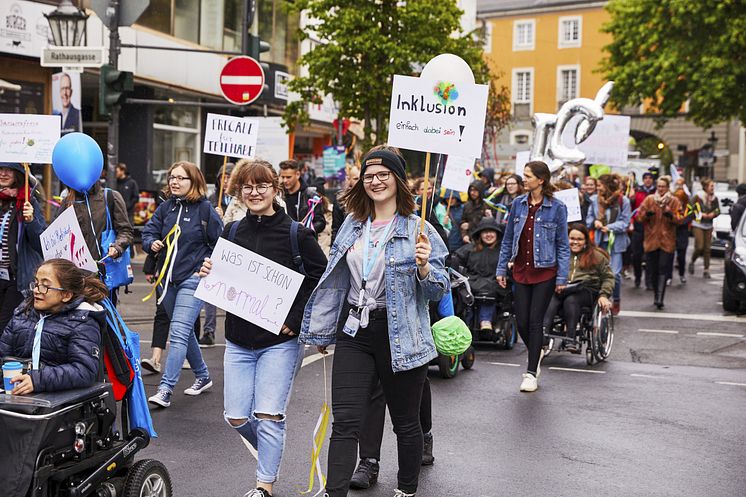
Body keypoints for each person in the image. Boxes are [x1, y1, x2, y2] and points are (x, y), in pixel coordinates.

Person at [300, 145, 449, 497]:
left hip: (401, 334)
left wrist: (425, 266)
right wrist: (323, 324)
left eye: (383, 175)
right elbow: (337, 278)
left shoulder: (419, 228)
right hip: (355, 330)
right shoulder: (352, 224)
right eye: (369, 176)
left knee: (405, 423)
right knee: (346, 422)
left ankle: (406, 491)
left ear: (398, 180)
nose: (376, 181)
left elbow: (439, 289)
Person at [199, 160, 327, 497]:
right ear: (240, 192)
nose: (255, 192)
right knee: (236, 417)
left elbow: (321, 278)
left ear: (275, 189)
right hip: (239, 341)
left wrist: (297, 319)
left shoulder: (297, 234)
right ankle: (274, 446)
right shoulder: (231, 232)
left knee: (269, 417)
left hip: (280, 342)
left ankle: (264, 486)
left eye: (262, 186)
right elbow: (223, 277)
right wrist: (209, 271)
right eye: (248, 187)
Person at [143, 161, 223, 408]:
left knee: (177, 332)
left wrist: (206, 263)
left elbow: (219, 243)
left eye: (180, 178)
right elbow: (148, 232)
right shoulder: (165, 208)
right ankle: (203, 376)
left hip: (193, 279)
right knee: (184, 331)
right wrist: (151, 243)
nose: (174, 182)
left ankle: (166, 389)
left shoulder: (205, 209)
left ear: (194, 182)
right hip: (166, 280)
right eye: (171, 177)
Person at [496, 160, 570, 393]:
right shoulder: (517, 204)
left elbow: (563, 245)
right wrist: (501, 269)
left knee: (535, 321)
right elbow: (508, 239)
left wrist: (562, 277)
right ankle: (536, 353)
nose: (523, 179)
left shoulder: (557, 207)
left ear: (541, 180)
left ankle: (530, 372)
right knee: (522, 321)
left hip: (545, 271)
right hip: (520, 270)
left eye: (528, 176)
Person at [0, 258, 107, 394]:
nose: (36, 291)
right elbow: (3, 355)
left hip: (61, 404)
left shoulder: (82, 321)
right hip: (19, 398)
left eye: (45, 286)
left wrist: (37, 380)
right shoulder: (23, 313)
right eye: (36, 283)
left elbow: (84, 371)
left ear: (66, 295)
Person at [542, 224, 614, 352]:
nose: (575, 242)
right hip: (562, 288)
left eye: (579, 239)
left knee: (571, 300)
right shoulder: (560, 253)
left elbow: (608, 277)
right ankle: (543, 335)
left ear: (586, 240)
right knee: (551, 299)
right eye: (572, 238)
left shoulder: (597, 256)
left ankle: (571, 338)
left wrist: (604, 295)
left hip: (586, 290)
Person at [0, 163, 46, 333]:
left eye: (8, 170)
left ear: (18, 173)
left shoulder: (27, 201)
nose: (3, 173)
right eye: (0, 169)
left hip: (16, 279)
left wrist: (30, 220)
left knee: (5, 327)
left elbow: (40, 243)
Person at [586, 174, 631, 315]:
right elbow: (589, 219)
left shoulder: (623, 201)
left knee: (615, 274)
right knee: (598, 274)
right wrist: (595, 222)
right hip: (599, 242)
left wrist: (610, 227)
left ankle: (616, 298)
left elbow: (625, 222)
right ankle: (602, 301)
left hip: (615, 242)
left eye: (600, 185)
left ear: (607, 186)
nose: (598, 188)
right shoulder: (594, 200)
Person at [637, 176, 682, 309]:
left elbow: (680, 219)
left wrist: (670, 214)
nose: (661, 189)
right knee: (653, 269)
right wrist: (647, 215)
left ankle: (659, 298)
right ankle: (656, 294)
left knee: (663, 268)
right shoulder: (650, 200)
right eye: (659, 186)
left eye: (663, 186)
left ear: (668, 187)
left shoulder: (674, 201)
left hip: (667, 240)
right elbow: (639, 217)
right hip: (651, 239)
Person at [452, 217, 504, 331]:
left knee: (487, 291)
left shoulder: (502, 251)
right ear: (480, 234)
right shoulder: (470, 249)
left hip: (494, 282)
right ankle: (466, 323)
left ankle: (485, 320)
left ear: (497, 234)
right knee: (463, 292)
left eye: (491, 232)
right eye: (485, 232)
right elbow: (455, 258)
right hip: (472, 281)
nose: (488, 235)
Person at [279, 159, 326, 236]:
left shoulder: (310, 195)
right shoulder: (279, 195)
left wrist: (305, 229)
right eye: (282, 177)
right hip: (284, 241)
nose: (284, 180)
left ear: (297, 174)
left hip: (305, 242)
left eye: (288, 177)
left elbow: (321, 222)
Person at [689, 179, 720, 279]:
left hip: (709, 225)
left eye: (713, 186)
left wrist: (713, 214)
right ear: (706, 187)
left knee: (707, 248)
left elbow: (718, 209)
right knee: (700, 247)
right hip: (698, 224)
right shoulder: (698, 197)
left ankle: (706, 270)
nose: (712, 188)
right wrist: (700, 215)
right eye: (711, 186)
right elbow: (689, 208)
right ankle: (692, 261)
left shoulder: (714, 198)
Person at [631, 171, 656, 289]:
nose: (648, 180)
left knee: (650, 256)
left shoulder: (655, 192)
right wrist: (631, 223)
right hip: (638, 225)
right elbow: (631, 209)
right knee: (637, 255)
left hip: (651, 227)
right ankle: (637, 277)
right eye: (645, 178)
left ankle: (649, 280)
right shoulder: (637, 191)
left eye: (650, 178)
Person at [331, 165, 361, 245]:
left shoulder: (372, 198)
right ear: (349, 179)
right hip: (345, 245)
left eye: (362, 178)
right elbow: (336, 228)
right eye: (356, 179)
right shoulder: (341, 200)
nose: (359, 181)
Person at [672, 179, 693, 284]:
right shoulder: (672, 208)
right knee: (669, 256)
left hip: (683, 234)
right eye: (677, 199)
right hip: (672, 233)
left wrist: (677, 220)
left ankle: (681, 274)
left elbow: (687, 220)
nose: (678, 202)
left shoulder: (688, 209)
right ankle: (668, 276)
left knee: (681, 256)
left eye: (680, 200)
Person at [460, 180, 489, 244]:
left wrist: (470, 225)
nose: (472, 193)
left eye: (475, 190)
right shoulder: (467, 205)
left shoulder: (487, 206)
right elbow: (463, 222)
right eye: (471, 190)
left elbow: (487, 224)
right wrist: (464, 235)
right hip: (469, 241)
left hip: (483, 240)